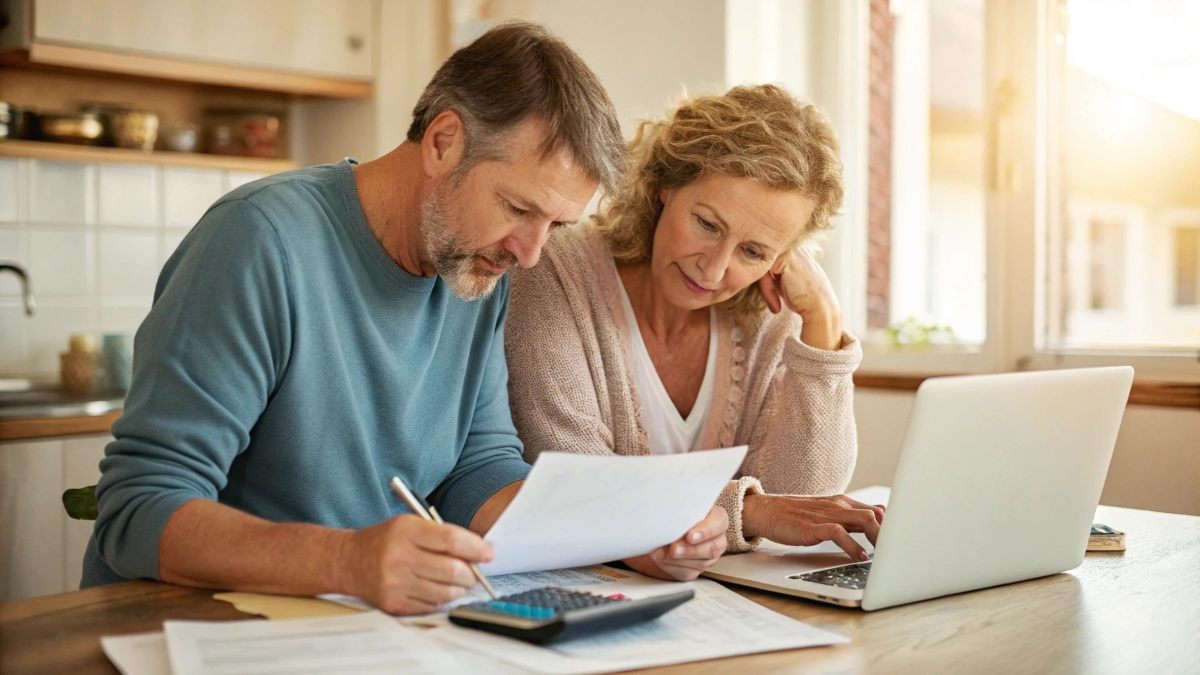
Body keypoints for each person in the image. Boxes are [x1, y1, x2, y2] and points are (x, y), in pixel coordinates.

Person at [81, 21, 727, 616]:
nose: (531, 254)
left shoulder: (474, 268)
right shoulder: (260, 243)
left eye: (556, 226)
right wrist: (344, 559)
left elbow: (481, 468)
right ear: (444, 142)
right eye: (518, 208)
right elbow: (138, 509)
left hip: (354, 628)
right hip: (197, 628)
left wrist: (625, 539)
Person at [506, 84, 885, 569]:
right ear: (665, 186)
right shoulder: (556, 273)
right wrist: (749, 511)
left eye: (753, 252)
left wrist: (824, 326)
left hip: (724, 607)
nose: (714, 269)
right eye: (707, 224)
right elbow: (578, 481)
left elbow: (805, 506)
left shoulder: (774, 318)